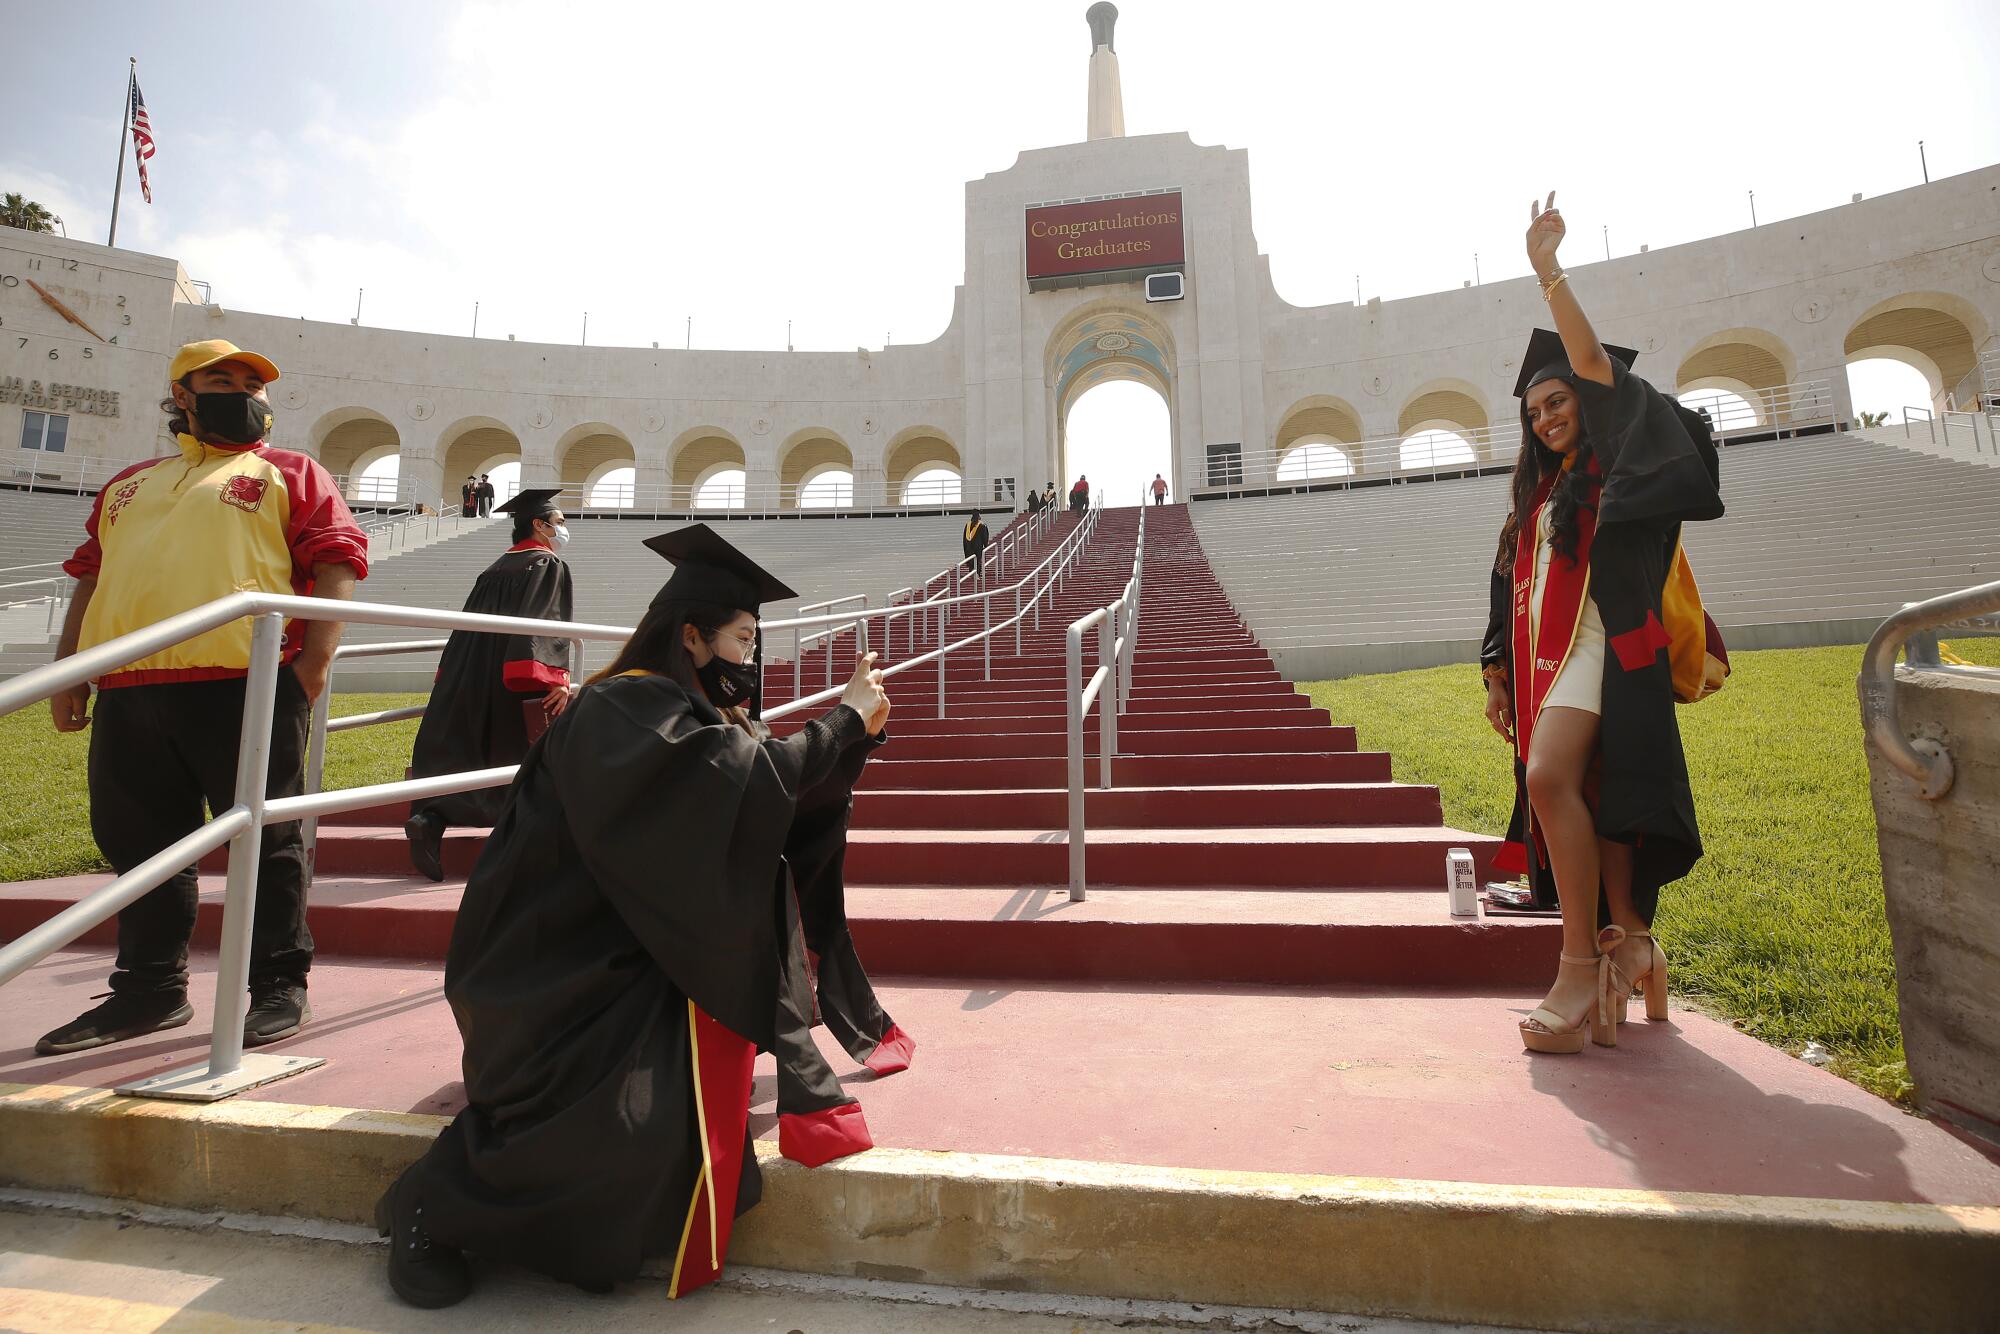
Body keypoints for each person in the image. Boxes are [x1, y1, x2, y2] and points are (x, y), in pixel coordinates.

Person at [376, 524, 895, 1309]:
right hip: (552, 977)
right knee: (627, 1134)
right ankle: (433, 1202)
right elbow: (736, 788)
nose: (750, 659)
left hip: (631, 962)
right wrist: (842, 723)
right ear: (690, 637)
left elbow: (758, 804)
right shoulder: (624, 707)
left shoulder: (688, 714)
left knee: (667, 1131)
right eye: (741, 638)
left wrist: (848, 742)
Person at [37, 339, 369, 1054]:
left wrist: (312, 665)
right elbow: (92, 575)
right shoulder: (129, 484)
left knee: (268, 841)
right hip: (131, 690)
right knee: (141, 846)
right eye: (224, 378)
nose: (245, 391)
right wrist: (69, 668)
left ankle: (280, 985)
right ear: (182, 393)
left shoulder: (288, 471)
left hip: (244, 684)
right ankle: (149, 991)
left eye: (254, 382)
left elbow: (338, 558)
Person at [1480, 193, 1724, 1055]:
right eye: (1535, 411)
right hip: (1550, 661)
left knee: (1555, 781)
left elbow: (1586, 359)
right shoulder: (1537, 497)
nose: (1548, 417)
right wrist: (1494, 670)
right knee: (1587, 795)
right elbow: (1506, 586)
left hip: (1607, 649)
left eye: (1559, 401)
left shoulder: (1615, 458)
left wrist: (1549, 271)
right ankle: (1634, 945)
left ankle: (1578, 962)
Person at [404, 489, 576, 881]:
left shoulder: (496, 568)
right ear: (539, 524)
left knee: (464, 752)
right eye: (560, 521)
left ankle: (430, 819)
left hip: (470, 672)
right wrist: (556, 679)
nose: (564, 528)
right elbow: (542, 625)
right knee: (517, 759)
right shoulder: (546, 564)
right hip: (509, 678)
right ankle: (521, 858)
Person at [961, 513, 990, 584]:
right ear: (979, 517)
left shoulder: (967, 525)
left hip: (969, 547)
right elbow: (985, 537)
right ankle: (977, 574)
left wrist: (965, 546)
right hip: (978, 547)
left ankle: (971, 572)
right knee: (978, 560)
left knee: (971, 559)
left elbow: (965, 538)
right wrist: (986, 545)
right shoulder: (982, 525)